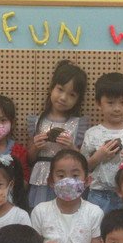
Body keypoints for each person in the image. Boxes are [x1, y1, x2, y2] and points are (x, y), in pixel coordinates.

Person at [27, 60, 89, 208]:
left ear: (78, 99)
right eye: (60, 89)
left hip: (67, 177)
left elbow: (84, 161)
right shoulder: (37, 122)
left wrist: (71, 147)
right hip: (42, 178)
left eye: (71, 94)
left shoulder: (79, 124)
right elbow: (29, 159)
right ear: (51, 88)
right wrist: (36, 147)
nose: (63, 97)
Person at [80, 72, 123, 211]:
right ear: (99, 103)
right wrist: (98, 156)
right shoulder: (92, 134)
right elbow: (83, 168)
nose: (117, 108)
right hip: (98, 195)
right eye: (110, 103)